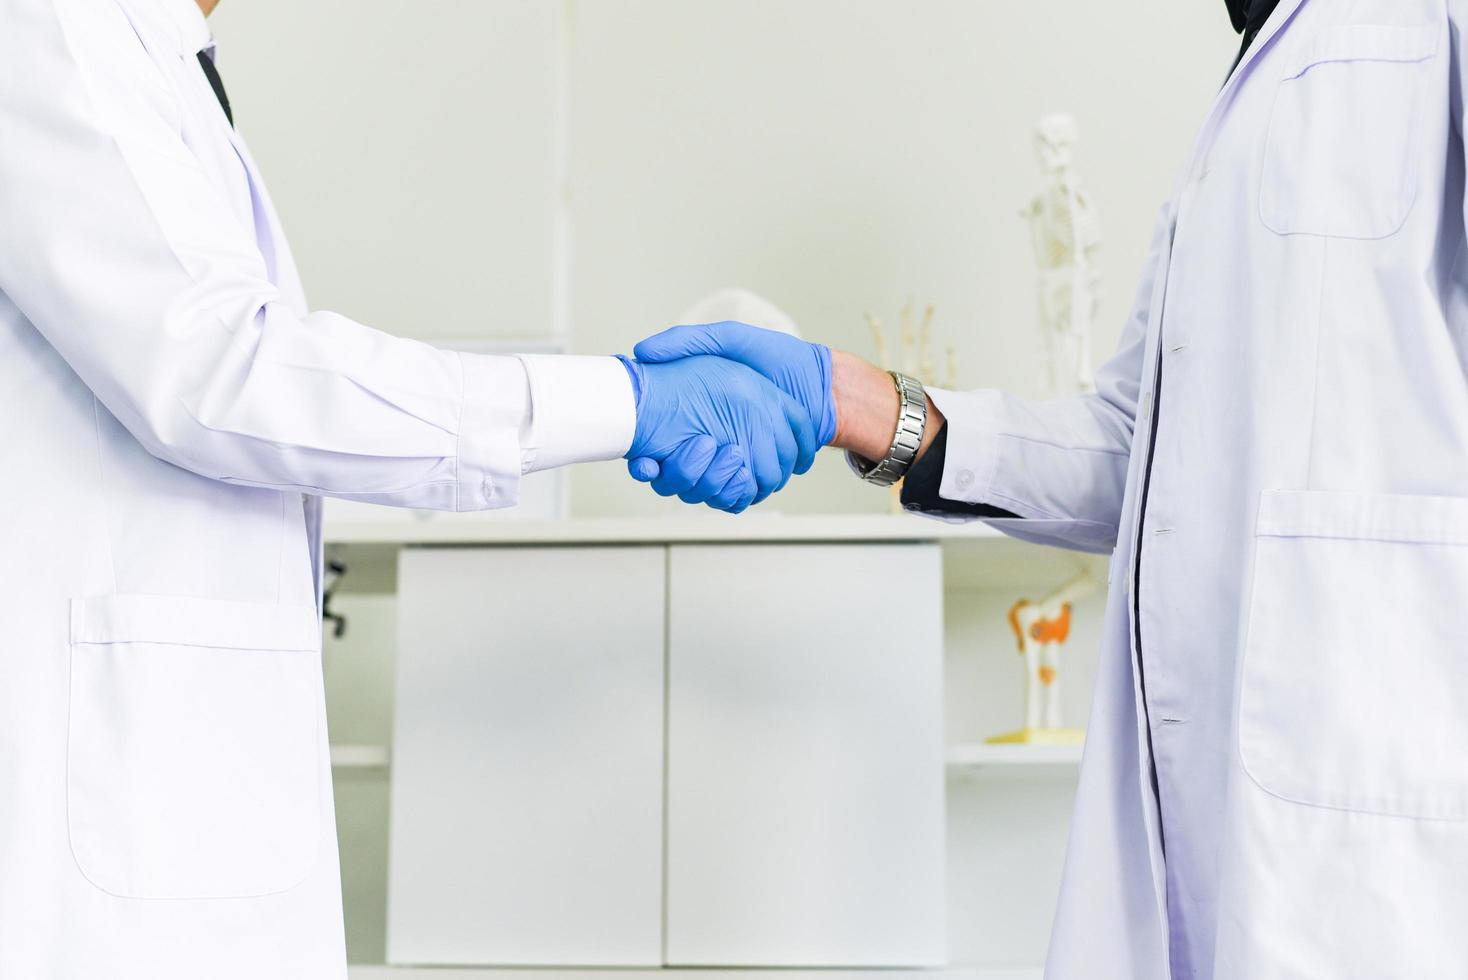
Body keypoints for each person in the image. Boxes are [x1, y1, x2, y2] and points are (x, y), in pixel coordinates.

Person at [636, 0, 1468, 976]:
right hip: (1226, 844)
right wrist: (850, 401)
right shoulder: (1242, 110)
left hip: (1377, 847)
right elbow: (1136, 450)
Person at [0, 0, 818, 977]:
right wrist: (625, 402)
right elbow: (227, 367)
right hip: (113, 843)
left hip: (180, 808)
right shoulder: (51, 23)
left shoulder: (158, 51)